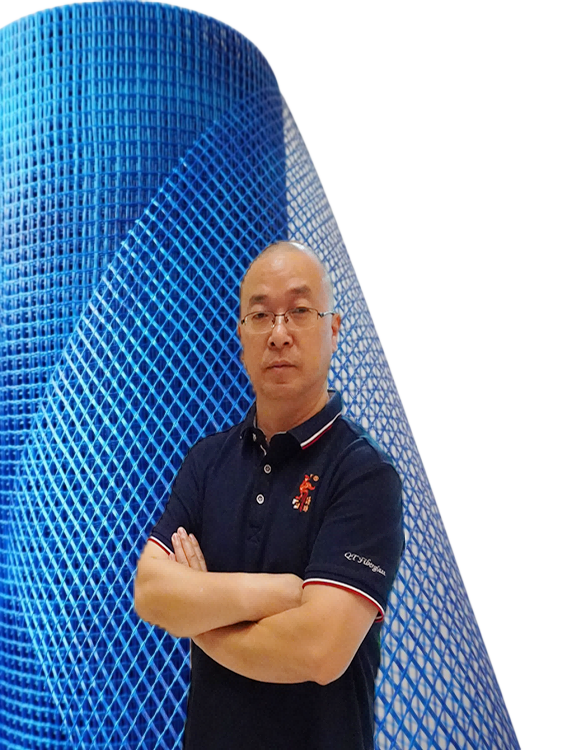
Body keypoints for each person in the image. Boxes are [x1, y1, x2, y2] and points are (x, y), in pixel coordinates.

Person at [133, 241, 404, 749]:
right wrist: (281, 593)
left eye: (299, 311)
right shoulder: (207, 462)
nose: (279, 334)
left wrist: (199, 616)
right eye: (260, 316)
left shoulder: (365, 475)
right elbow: (151, 591)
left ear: (333, 330)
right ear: (241, 336)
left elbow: (319, 650)